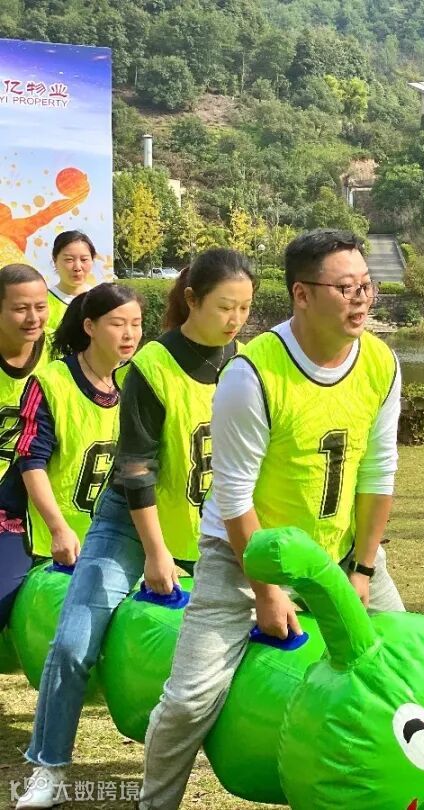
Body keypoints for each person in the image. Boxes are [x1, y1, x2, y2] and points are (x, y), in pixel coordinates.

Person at [138, 229, 405, 810]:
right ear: (301, 295)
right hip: (242, 559)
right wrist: (266, 590)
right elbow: (234, 496)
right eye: (346, 288)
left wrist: (362, 567)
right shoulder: (251, 374)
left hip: (339, 553)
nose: (361, 299)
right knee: (190, 700)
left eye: (367, 286)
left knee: (404, 673)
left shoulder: (382, 363)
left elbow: (378, 473)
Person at [15, 250, 254, 809]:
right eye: (226, 306)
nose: (236, 319)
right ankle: (47, 766)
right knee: (74, 643)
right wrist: (156, 552)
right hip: (128, 523)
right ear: (192, 300)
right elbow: (137, 470)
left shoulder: (245, 364)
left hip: (209, 523)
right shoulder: (152, 364)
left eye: (245, 308)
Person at [18, 285, 141, 563]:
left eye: (136, 324)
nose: (129, 334)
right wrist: (58, 529)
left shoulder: (138, 380)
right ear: (90, 327)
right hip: (52, 540)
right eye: (117, 324)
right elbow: (32, 461)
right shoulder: (51, 382)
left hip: (115, 538)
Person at [0, 264, 48, 633]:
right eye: (20, 308)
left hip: (42, 492)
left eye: (40, 306)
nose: (33, 318)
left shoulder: (61, 351)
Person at [46, 231, 98, 336]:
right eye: (69, 260)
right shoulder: (43, 302)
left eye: (84, 259)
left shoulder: (100, 299)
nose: (77, 267)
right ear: (55, 261)